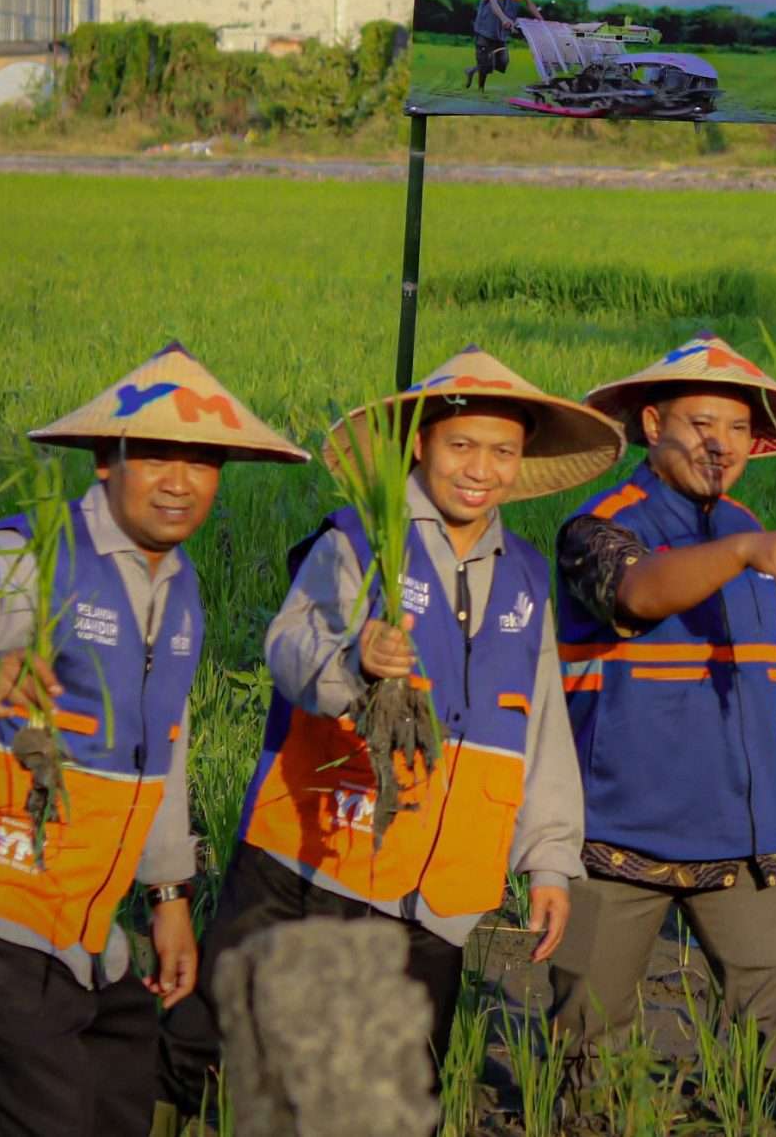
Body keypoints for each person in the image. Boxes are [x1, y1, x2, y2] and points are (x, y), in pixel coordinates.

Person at [0, 343, 307, 1137]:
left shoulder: (181, 588)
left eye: (202, 461)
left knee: (118, 1103)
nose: (180, 480)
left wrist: (168, 898)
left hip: (82, 924)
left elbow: (163, 751)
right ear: (108, 457)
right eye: (157, 456)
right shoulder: (31, 553)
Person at [162, 347, 622, 1108]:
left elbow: (537, 731)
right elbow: (288, 646)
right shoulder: (356, 542)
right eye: (461, 445)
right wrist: (356, 658)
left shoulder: (527, 578)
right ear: (420, 446)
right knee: (204, 1056)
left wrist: (548, 861)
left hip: (434, 900)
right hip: (313, 862)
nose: (481, 467)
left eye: (502, 450)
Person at [541, 336, 776, 1121]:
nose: (721, 442)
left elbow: (768, 674)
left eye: (738, 428)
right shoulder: (595, 527)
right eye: (701, 421)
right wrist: (744, 552)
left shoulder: (747, 526)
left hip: (743, 831)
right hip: (612, 831)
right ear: (649, 423)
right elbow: (636, 592)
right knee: (589, 1044)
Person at [468, 0, 539, 90]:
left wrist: (541, 19)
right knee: (485, 61)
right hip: (486, 27)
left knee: (503, 62)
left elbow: (528, 3)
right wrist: (504, 19)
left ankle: (472, 70)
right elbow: (493, 2)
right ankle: (481, 88)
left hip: (502, 31)